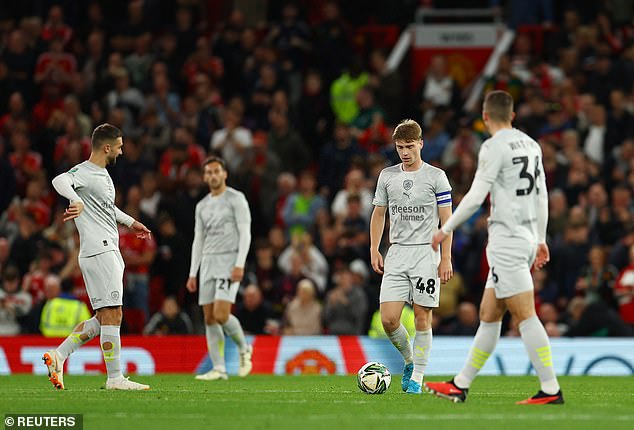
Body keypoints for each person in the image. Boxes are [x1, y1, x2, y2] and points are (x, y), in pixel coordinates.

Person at [424, 90, 564, 405]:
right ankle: (460, 385)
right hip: (526, 236)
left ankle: (551, 388)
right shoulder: (532, 144)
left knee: (525, 315)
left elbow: (475, 197)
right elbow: (541, 195)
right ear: (512, 116)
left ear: (485, 117)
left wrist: (445, 229)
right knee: (489, 313)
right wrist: (541, 238)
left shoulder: (492, 147)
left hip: (508, 240)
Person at [44, 123, 152, 390]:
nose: (122, 151)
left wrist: (130, 222)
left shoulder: (100, 174)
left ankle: (59, 356)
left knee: (103, 317)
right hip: (101, 250)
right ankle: (115, 378)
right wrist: (74, 199)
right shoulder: (84, 172)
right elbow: (59, 180)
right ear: (107, 147)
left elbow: (107, 207)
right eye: (119, 146)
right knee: (114, 314)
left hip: (101, 249)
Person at [370, 119, 454, 394]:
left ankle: (417, 377)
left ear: (420, 143)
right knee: (389, 319)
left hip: (426, 253)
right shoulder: (387, 176)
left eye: (409, 146)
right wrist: (374, 248)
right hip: (397, 252)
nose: (404, 152)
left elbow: (447, 221)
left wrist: (446, 258)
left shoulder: (436, 177)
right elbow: (379, 213)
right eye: (399, 147)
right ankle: (409, 360)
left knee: (422, 317)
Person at [186, 156, 253, 381]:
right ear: (205, 177)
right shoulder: (202, 205)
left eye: (217, 171)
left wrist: (239, 264)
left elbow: (245, 233)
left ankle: (245, 349)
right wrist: (192, 272)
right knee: (209, 318)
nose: (213, 176)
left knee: (221, 314)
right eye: (209, 172)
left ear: (224, 174)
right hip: (207, 262)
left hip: (228, 261)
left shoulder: (236, 199)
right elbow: (198, 239)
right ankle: (219, 368)